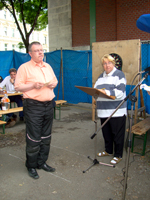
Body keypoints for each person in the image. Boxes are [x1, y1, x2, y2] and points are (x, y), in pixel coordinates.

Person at [14, 41, 58, 179]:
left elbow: (55, 81)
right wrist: (33, 85)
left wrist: (52, 84)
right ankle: (31, 166)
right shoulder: (24, 67)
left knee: (46, 136)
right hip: (33, 106)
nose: (40, 52)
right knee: (33, 138)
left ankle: (42, 162)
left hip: (48, 105)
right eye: (37, 50)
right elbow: (18, 87)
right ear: (30, 53)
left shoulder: (48, 66)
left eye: (42, 50)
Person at [94, 54, 127, 165]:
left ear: (113, 64)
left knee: (117, 134)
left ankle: (118, 155)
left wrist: (106, 92)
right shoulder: (100, 76)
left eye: (109, 63)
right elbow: (96, 90)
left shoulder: (119, 75)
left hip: (116, 111)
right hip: (103, 111)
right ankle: (108, 150)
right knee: (106, 133)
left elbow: (120, 93)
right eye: (105, 63)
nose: (107, 65)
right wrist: (94, 95)